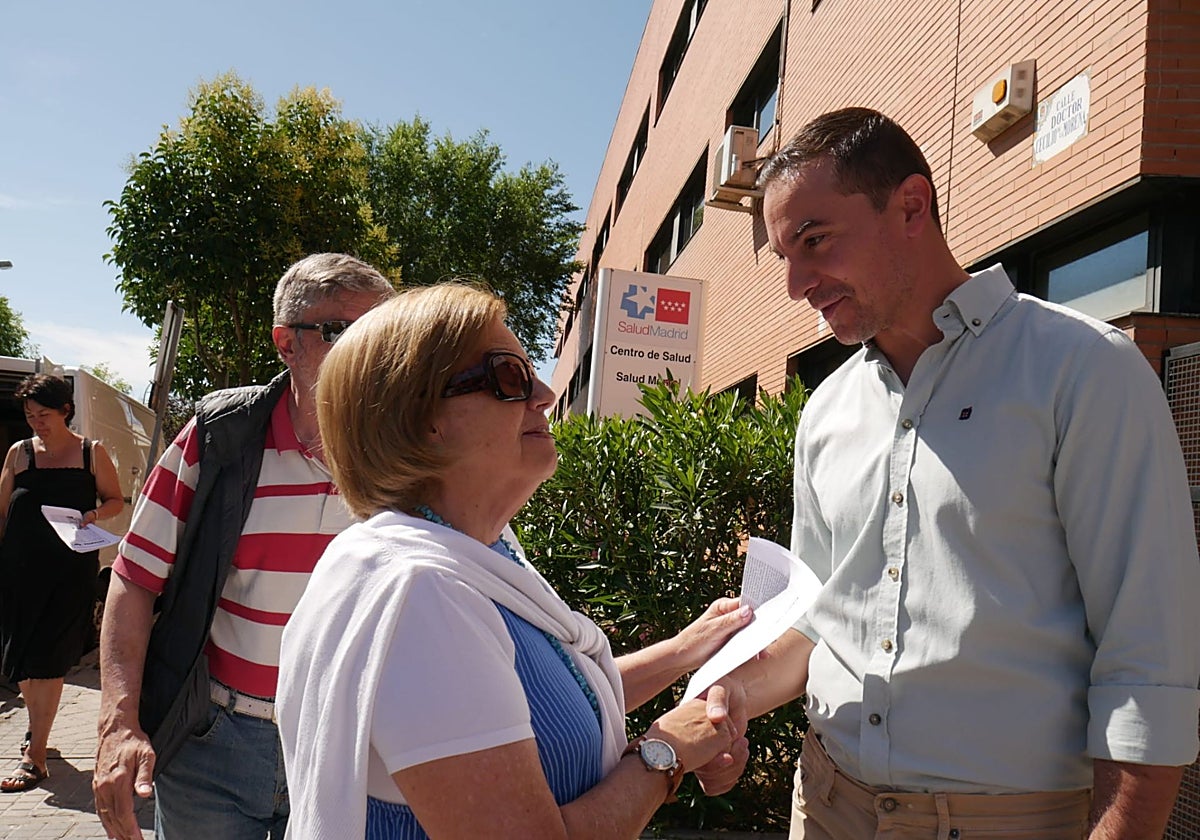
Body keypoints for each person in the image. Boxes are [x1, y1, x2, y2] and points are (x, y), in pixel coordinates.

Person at [710, 107, 1200, 839]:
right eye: (785, 253)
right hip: (825, 804)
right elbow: (817, 618)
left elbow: (1148, 667)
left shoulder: (1085, 372)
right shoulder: (826, 412)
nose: (796, 284)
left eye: (814, 241)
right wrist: (730, 694)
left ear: (911, 204)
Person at [276, 282, 753, 839]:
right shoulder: (422, 596)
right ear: (423, 416)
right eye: (510, 376)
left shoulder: (476, 551)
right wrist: (664, 753)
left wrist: (683, 650)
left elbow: (543, 702)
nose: (546, 394)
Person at [92, 253, 396, 840]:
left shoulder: (409, 456)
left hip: (349, 749)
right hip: (214, 745)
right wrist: (117, 724)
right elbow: (133, 578)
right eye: (342, 332)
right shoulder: (218, 437)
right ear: (288, 344)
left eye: (382, 333)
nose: (369, 351)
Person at [0, 374, 123, 793]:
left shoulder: (92, 453)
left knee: (50, 658)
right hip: (19, 572)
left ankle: (34, 756)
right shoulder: (19, 454)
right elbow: (2, 513)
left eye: (45, 415)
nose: (37, 423)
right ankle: (39, 732)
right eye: (30, 416)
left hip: (68, 571)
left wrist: (94, 515)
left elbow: (114, 500)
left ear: (65, 410)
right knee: (22, 657)